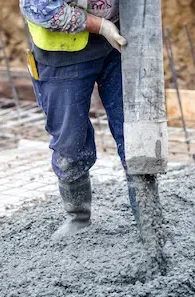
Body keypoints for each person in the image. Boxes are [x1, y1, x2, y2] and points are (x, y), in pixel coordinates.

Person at [20, 0, 132, 239]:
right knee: (70, 140)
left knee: (134, 130)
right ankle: (78, 217)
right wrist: (100, 26)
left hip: (119, 42)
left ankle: (147, 213)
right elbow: (40, 7)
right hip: (62, 55)